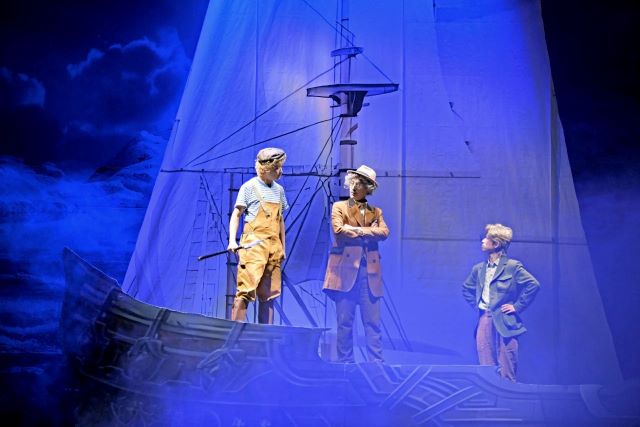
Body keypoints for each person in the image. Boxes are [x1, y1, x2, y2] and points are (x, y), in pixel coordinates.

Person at [323, 165, 389, 362]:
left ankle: (376, 366)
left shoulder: (376, 212)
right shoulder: (339, 207)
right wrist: (369, 232)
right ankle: (346, 366)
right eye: (352, 183)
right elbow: (339, 230)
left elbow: (384, 232)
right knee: (345, 323)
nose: (353, 187)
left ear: (368, 188)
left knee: (373, 324)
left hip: (370, 275)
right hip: (346, 272)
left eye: (359, 184)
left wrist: (358, 230)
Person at [462, 223, 540, 381]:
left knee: (507, 364)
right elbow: (466, 288)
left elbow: (533, 284)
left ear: (496, 243)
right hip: (484, 318)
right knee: (486, 365)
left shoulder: (512, 267)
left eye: (486, 238)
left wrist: (517, 306)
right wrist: (478, 306)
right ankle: (490, 393)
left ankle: (508, 393)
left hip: (505, 320)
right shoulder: (479, 268)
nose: (482, 241)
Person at [227, 147, 288, 324]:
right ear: (266, 168)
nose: (280, 171)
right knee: (246, 289)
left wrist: (282, 248)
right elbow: (236, 214)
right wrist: (232, 240)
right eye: (277, 168)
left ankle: (265, 334)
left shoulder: (279, 190)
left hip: (274, 247)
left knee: (269, 293)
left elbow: (280, 220)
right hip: (253, 245)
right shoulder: (249, 187)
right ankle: (235, 331)